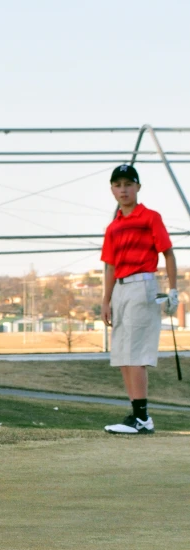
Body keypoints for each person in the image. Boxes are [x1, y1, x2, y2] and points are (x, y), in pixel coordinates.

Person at [101, 164, 178, 434]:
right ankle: (136, 414)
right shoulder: (113, 227)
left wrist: (173, 289)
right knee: (122, 355)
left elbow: (168, 253)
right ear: (112, 189)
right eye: (118, 184)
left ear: (138, 187)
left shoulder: (150, 217)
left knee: (135, 354)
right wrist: (106, 301)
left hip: (142, 284)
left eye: (128, 184)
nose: (123, 189)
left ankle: (143, 418)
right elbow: (110, 267)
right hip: (120, 290)